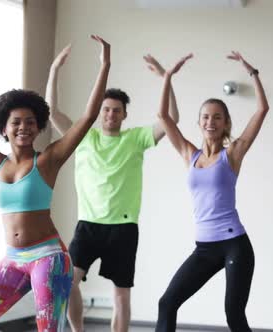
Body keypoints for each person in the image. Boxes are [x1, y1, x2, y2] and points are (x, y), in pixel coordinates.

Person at [0, 35, 110, 332]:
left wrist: (105, 67)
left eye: (29, 122)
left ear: (38, 127)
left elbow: (88, 117)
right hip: (12, 259)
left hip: (48, 258)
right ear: (4, 127)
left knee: (49, 328)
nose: (23, 127)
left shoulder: (48, 159)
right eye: (16, 122)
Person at [47, 50, 180, 332]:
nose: (110, 114)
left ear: (124, 114)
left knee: (121, 294)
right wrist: (55, 69)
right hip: (89, 225)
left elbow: (172, 119)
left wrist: (165, 79)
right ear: (99, 112)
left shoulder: (136, 139)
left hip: (123, 227)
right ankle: (78, 330)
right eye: (106, 109)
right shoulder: (84, 136)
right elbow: (52, 111)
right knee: (67, 282)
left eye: (116, 110)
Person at [155, 51, 268, 332]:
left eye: (217, 117)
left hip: (234, 245)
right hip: (204, 248)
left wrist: (252, 72)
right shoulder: (189, 154)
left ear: (225, 123)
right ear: (199, 122)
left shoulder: (233, 154)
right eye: (205, 117)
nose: (210, 122)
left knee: (234, 314)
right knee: (167, 303)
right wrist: (167, 77)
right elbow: (163, 116)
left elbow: (262, 110)